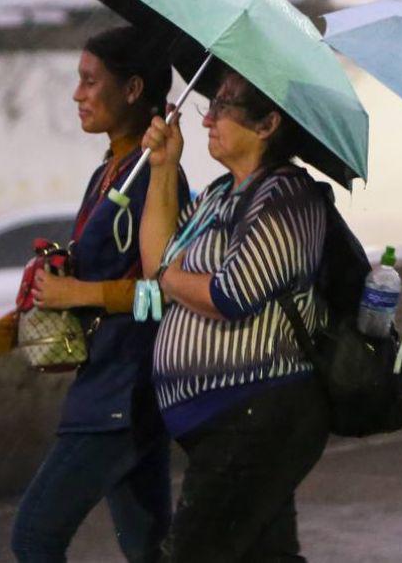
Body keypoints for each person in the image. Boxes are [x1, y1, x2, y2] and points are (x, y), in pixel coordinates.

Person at [0, 25, 187, 563]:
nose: (77, 94)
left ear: (133, 90)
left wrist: (80, 291)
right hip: (117, 393)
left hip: (120, 395)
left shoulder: (157, 181)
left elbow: (166, 295)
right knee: (150, 551)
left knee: (35, 537)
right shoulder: (107, 175)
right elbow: (57, 296)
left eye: (91, 82)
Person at [139, 69, 330, 562]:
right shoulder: (217, 195)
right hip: (226, 420)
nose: (208, 119)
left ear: (268, 124)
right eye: (212, 104)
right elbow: (155, 258)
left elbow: (230, 295)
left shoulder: (287, 196)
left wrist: (169, 278)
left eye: (224, 106)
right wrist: (163, 167)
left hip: (257, 414)